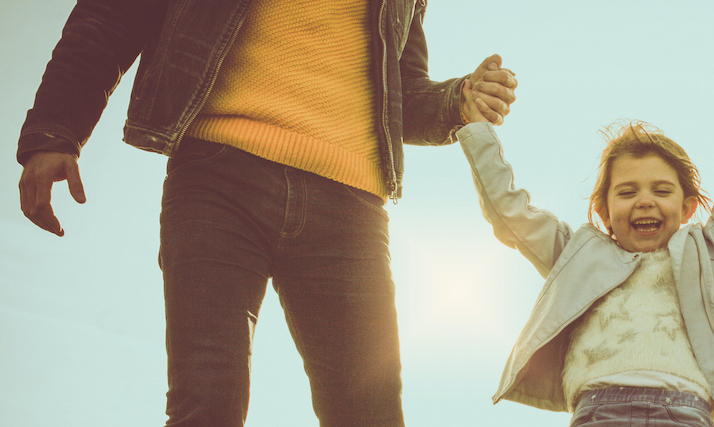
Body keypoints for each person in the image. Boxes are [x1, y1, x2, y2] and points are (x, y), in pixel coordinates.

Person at [15, 0, 516, 425]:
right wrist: (56, 130)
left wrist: (458, 100)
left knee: (371, 413)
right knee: (208, 400)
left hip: (351, 207)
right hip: (219, 176)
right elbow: (113, 13)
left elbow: (399, 91)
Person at [454, 80, 714, 425]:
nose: (644, 200)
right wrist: (478, 130)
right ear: (604, 212)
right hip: (598, 409)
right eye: (627, 192)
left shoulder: (711, 251)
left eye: (661, 190)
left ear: (687, 208)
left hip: (684, 412)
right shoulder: (575, 256)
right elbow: (510, 213)